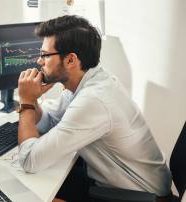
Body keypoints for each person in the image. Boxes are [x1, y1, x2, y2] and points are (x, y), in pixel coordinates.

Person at [17, 15, 172, 202]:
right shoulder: (89, 80)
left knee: (28, 195)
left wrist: (26, 101)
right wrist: (33, 100)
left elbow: (29, 160)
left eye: (44, 55)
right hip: (125, 185)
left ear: (71, 60)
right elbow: (48, 122)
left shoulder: (93, 100)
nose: (39, 61)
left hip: (138, 197)